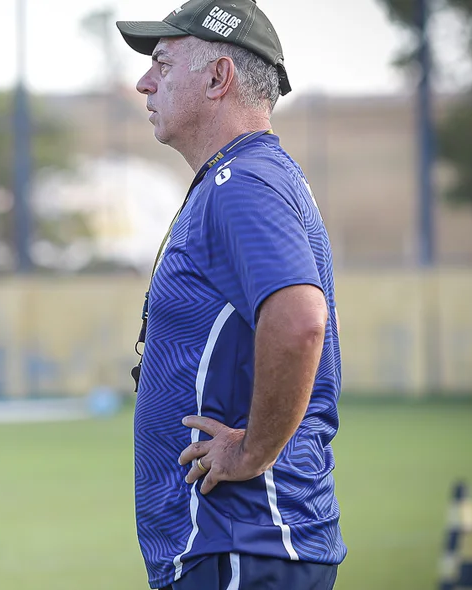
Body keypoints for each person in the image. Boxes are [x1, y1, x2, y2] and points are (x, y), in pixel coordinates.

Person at [115, 1, 346, 589]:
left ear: (219, 77)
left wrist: (252, 453)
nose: (144, 81)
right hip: (235, 544)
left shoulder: (242, 183)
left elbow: (299, 320)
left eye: (163, 64)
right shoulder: (240, 177)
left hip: (243, 540)